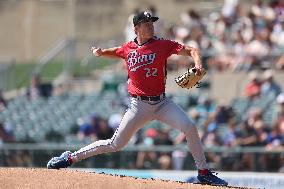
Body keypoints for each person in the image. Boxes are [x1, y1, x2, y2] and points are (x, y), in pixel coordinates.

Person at [47, 10, 228, 186]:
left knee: (189, 127)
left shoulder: (162, 44)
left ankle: (203, 172)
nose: (151, 26)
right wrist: (102, 52)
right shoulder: (128, 48)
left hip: (162, 103)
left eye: (152, 23)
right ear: (136, 29)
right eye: (146, 24)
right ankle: (70, 157)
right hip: (138, 106)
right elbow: (118, 51)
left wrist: (197, 65)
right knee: (115, 144)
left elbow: (192, 49)